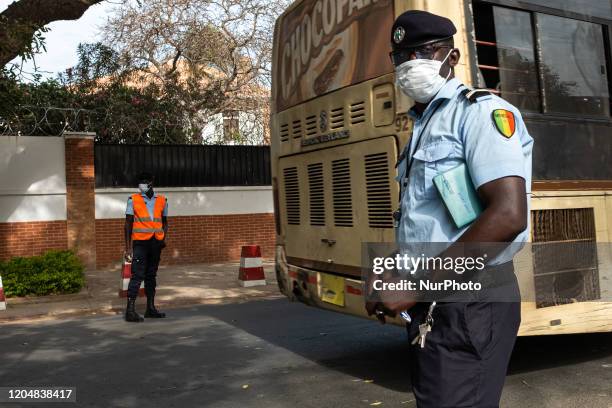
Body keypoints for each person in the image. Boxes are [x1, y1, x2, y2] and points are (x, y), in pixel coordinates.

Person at [366, 10, 534, 408]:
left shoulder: (482, 113)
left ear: (452, 57)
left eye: (424, 51)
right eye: (402, 55)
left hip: (472, 300)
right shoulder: (423, 124)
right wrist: (389, 270)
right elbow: (432, 224)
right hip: (442, 298)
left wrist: (416, 284)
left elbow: (508, 216)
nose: (410, 63)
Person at [124, 172, 168, 322]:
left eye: (144, 181)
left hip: (155, 243)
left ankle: (150, 308)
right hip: (140, 243)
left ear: (151, 182)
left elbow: (165, 222)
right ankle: (130, 311)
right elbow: (128, 224)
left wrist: (163, 239)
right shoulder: (133, 199)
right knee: (137, 275)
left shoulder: (162, 200)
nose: (141, 184)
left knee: (151, 275)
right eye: (140, 181)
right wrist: (128, 247)